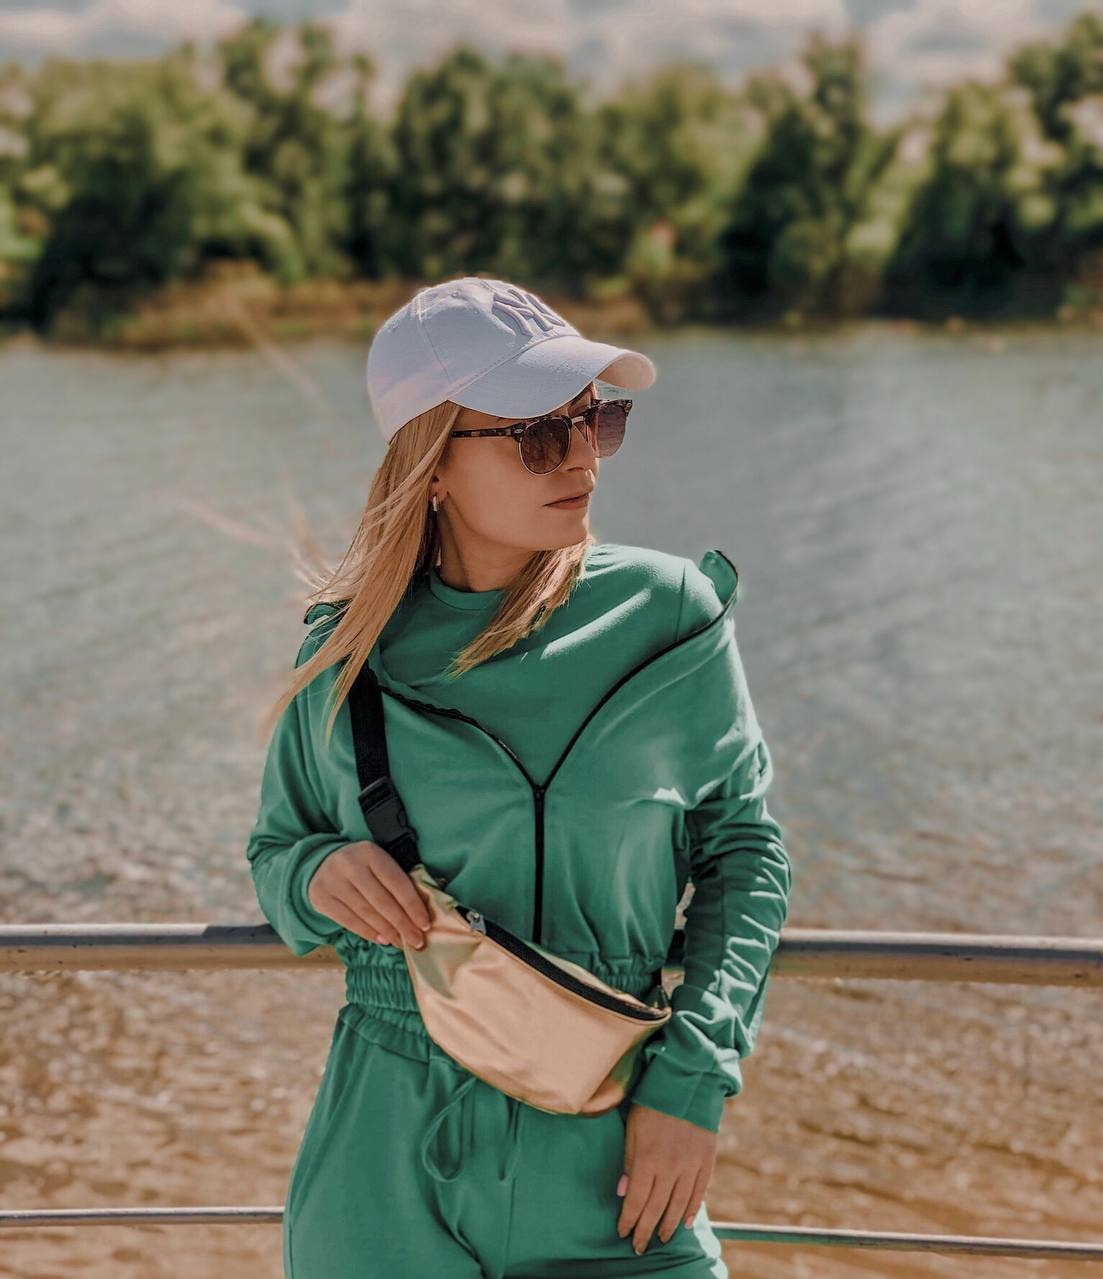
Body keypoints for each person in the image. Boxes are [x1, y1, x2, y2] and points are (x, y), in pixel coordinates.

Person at [245, 276, 793, 1279]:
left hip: (616, 1170)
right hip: (384, 1164)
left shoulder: (668, 617)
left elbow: (744, 856)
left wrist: (692, 1083)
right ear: (432, 465)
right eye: (539, 434)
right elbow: (274, 852)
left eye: (595, 420)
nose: (581, 457)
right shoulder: (346, 650)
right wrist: (316, 873)